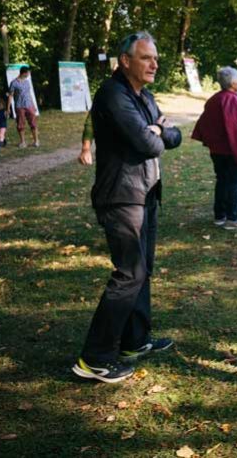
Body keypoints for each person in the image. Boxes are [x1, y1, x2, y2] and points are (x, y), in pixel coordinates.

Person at [73, 31, 182, 384]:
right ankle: (94, 358)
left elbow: (172, 136)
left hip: (146, 192)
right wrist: (156, 133)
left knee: (142, 269)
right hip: (121, 195)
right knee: (129, 272)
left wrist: (158, 130)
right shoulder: (113, 95)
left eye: (155, 58)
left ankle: (134, 341)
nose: (154, 64)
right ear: (125, 61)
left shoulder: (144, 96)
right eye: (146, 58)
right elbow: (147, 143)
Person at [192, 67, 237, 229]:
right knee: (234, 184)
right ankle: (232, 219)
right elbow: (235, 131)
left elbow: (204, 125)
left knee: (222, 181)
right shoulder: (233, 101)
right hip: (233, 150)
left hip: (218, 151)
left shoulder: (214, 99)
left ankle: (219, 215)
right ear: (234, 83)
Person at [8, 66, 40, 147]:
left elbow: (29, 94)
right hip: (19, 106)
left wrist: (33, 105)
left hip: (29, 105)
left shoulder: (27, 82)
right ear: (24, 73)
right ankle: (23, 142)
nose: (29, 74)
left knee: (33, 123)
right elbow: (10, 96)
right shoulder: (14, 83)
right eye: (28, 72)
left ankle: (36, 141)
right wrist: (8, 108)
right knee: (20, 124)